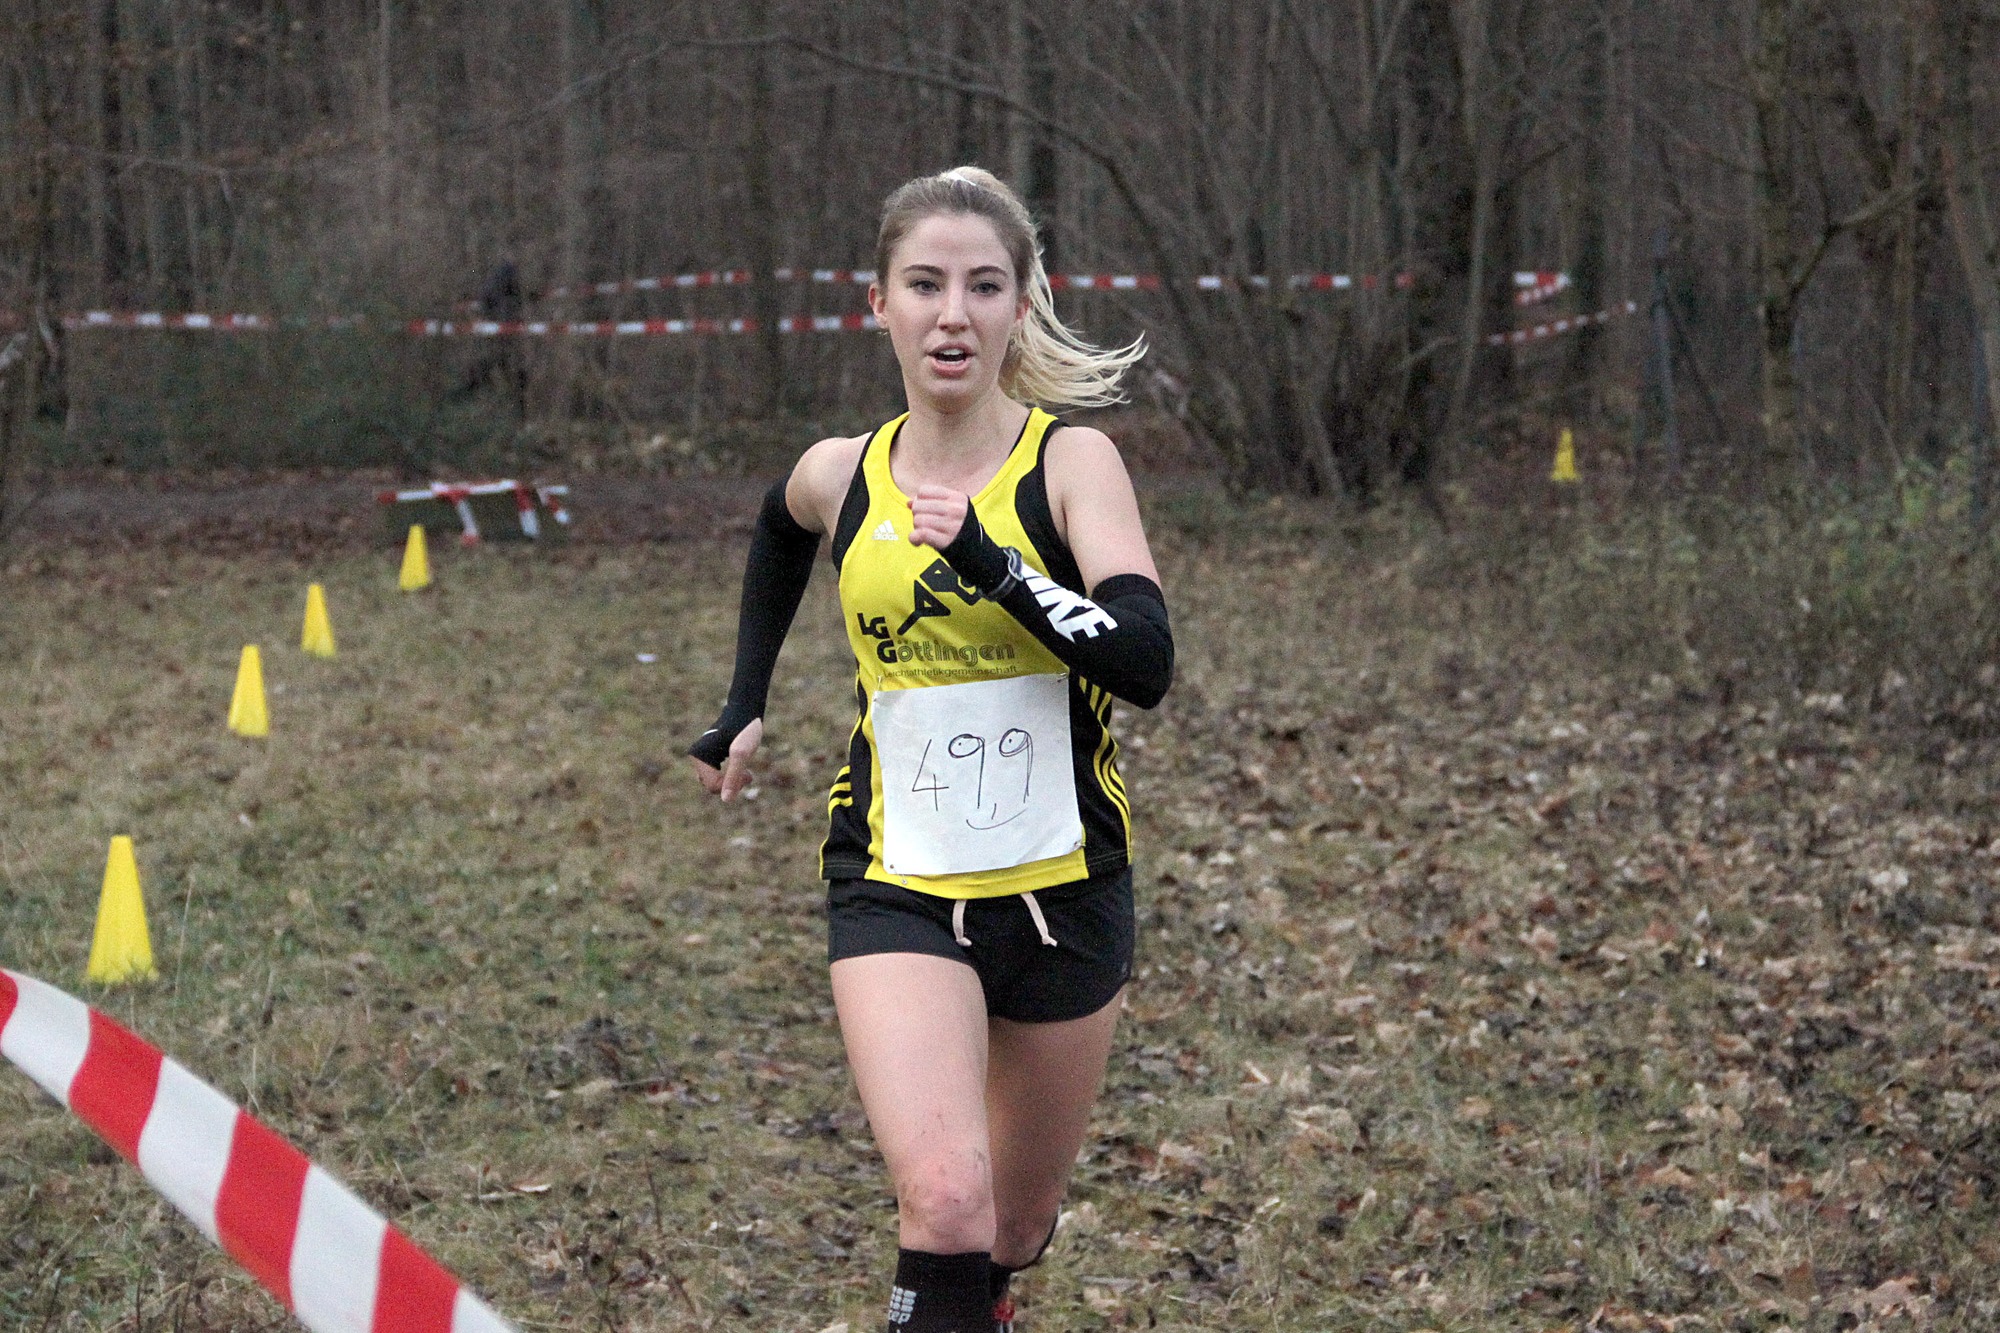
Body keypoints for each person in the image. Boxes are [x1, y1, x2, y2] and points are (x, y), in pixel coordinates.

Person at [688, 166, 1174, 1333]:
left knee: (1011, 1226)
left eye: (982, 286)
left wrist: (996, 571)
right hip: (895, 879)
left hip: (1064, 887)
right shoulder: (843, 471)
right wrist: (745, 698)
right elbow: (778, 527)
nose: (951, 313)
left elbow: (1145, 660)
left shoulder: (1069, 466)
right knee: (948, 1199)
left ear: (1020, 304)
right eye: (923, 284)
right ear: (878, 304)